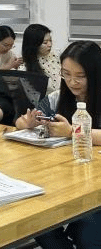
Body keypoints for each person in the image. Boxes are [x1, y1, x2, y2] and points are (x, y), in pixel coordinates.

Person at [16, 41, 101, 249]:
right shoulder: (58, 97)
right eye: (66, 74)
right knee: (37, 220)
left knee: (87, 231)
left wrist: (73, 131)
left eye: (80, 76)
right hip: (66, 176)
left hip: (95, 185)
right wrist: (28, 123)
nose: (72, 82)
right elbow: (21, 121)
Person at [18, 24, 60, 94]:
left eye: (50, 40)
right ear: (34, 44)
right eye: (45, 42)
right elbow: (33, 97)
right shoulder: (24, 70)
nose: (50, 45)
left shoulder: (55, 56)